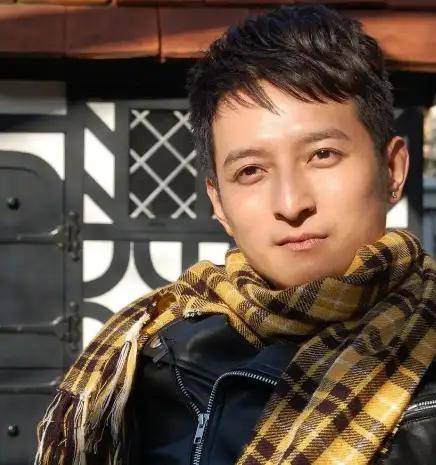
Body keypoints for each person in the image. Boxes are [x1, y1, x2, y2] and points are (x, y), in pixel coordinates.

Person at [34, 4, 436, 465]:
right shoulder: (154, 366)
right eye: (250, 171)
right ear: (220, 204)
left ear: (392, 170)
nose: (291, 203)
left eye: (322, 155)